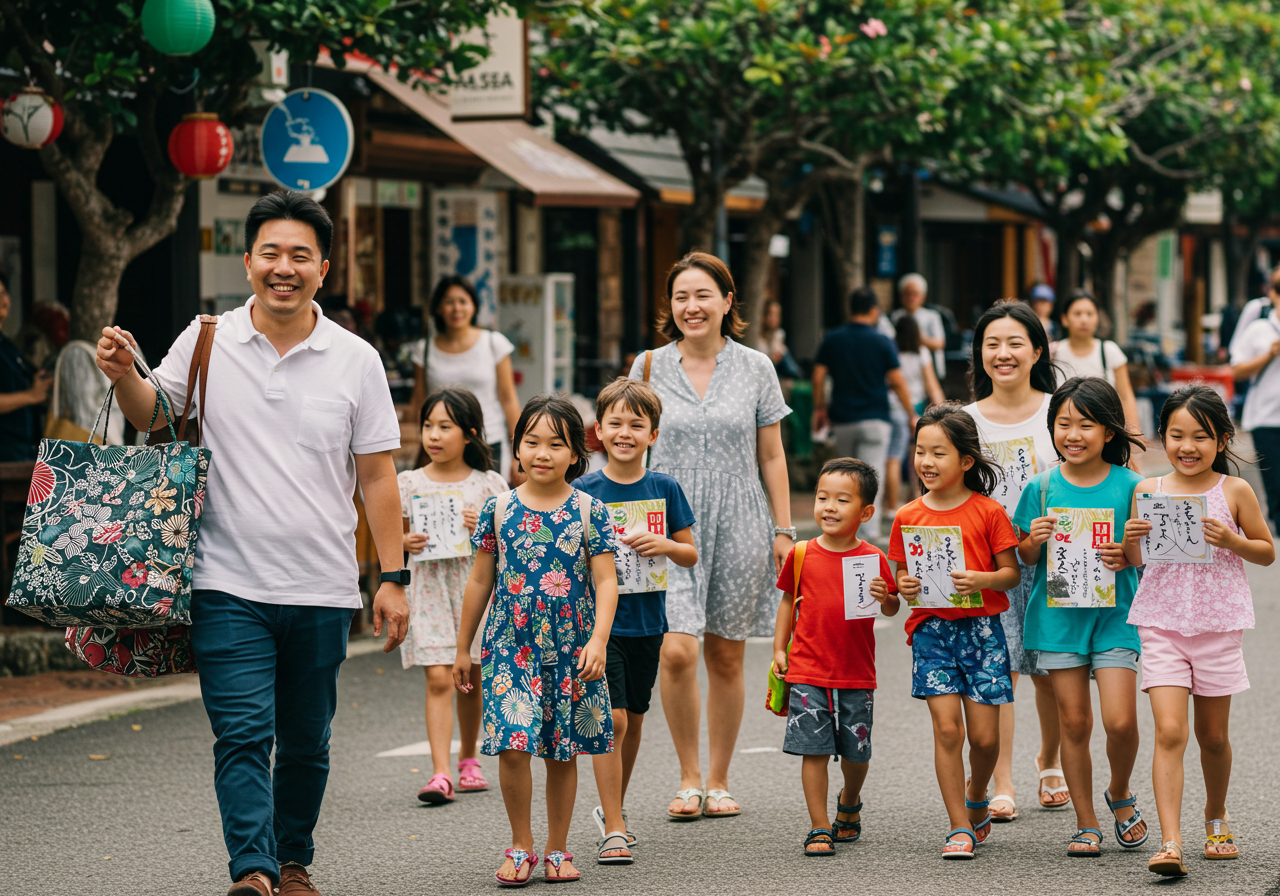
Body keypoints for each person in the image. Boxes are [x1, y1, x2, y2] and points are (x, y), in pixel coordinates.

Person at [94, 191, 410, 896]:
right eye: (271, 252)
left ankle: (292, 859)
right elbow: (157, 411)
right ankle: (255, 871)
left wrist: (394, 575)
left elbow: (377, 477)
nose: (284, 267)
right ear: (247, 262)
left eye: (300, 254)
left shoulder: (355, 360)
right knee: (241, 734)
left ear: (323, 269)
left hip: (322, 587)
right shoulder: (207, 339)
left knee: (306, 744)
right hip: (225, 582)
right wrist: (124, 377)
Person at [627, 251, 793, 820]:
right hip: (664, 522)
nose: (691, 307)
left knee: (725, 654)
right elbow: (628, 444)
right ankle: (688, 775)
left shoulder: (756, 367)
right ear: (669, 306)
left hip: (741, 517)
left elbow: (771, 453)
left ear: (727, 302)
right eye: (680, 297)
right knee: (675, 648)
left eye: (703, 296)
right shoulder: (646, 366)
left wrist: (784, 528)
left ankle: (718, 780)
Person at [452, 395, 620, 885]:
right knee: (512, 743)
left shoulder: (590, 511)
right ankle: (521, 844)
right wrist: (464, 647)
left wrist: (599, 641)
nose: (542, 452)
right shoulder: (498, 509)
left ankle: (558, 847)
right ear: (517, 450)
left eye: (556, 444)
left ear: (576, 454)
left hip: (571, 648)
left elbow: (607, 582)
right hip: (509, 645)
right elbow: (480, 580)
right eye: (532, 441)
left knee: (561, 750)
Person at [1121, 386, 1275, 876]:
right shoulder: (1148, 491)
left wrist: (1232, 539)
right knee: (1169, 731)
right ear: (1162, 438)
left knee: (1212, 736)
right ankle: (1170, 841)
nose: (1188, 447)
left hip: (1218, 625)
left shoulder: (1235, 491)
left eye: (1201, 437)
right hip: (1162, 622)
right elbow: (1137, 562)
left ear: (1223, 439)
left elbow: (1267, 550)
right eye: (1176, 436)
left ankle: (1215, 814)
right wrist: (1130, 542)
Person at [1014, 377, 1148, 857]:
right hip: (1058, 619)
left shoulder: (1134, 485)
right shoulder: (1042, 486)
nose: (1072, 434)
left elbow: (1144, 558)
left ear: (1109, 431)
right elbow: (1024, 559)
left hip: (1116, 616)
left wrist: (1125, 552)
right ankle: (1086, 821)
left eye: (1085, 424)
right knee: (1074, 723)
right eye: (1063, 424)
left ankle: (1119, 789)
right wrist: (1035, 537)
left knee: (1121, 722)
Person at [888, 404, 1021, 860]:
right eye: (920, 451)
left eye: (938, 452)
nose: (925, 461)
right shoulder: (907, 515)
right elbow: (904, 578)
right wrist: (904, 585)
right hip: (932, 631)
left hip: (983, 631)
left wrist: (982, 579)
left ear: (966, 460)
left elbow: (1010, 574)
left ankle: (977, 792)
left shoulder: (988, 512)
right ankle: (958, 826)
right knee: (948, 731)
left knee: (985, 739)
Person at [576, 377, 698, 865]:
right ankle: (616, 826)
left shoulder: (664, 488)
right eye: (615, 423)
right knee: (615, 718)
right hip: (598, 625)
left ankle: (613, 810)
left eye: (636, 424)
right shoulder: (583, 489)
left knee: (635, 719)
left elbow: (689, 553)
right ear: (598, 433)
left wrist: (666, 545)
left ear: (653, 434)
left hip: (650, 621)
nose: (624, 432)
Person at [962, 300, 1068, 822]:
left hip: (1054, 559)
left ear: (1037, 351)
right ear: (979, 353)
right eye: (991, 344)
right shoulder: (964, 420)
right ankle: (1001, 779)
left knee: (1050, 668)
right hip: (988, 563)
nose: (1003, 354)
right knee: (998, 668)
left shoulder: (1060, 412)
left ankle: (1049, 760)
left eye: (1014, 343)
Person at [771, 458, 900, 856]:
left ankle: (849, 800)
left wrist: (887, 597)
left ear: (865, 512)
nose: (828, 506)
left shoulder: (873, 558)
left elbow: (892, 607)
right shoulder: (802, 553)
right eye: (822, 497)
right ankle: (819, 826)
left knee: (856, 751)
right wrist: (779, 647)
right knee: (814, 749)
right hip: (808, 668)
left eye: (842, 500)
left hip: (856, 671)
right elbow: (787, 602)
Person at [398, 388, 508, 804]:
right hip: (427, 588)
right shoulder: (407, 483)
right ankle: (440, 772)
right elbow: (389, 537)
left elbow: (510, 540)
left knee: (471, 675)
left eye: (445, 426)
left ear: (470, 433)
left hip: (472, 590)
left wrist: (484, 524)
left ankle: (468, 758)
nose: (434, 435)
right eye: (428, 426)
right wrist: (403, 541)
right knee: (439, 677)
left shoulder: (490, 486)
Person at [813, 286, 916, 530]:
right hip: (875, 419)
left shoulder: (832, 338)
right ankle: (868, 534)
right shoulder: (882, 341)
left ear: (850, 309)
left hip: (843, 419)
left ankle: (844, 529)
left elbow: (818, 376)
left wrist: (820, 408)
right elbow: (898, 381)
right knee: (871, 477)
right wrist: (911, 413)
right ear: (873, 311)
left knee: (846, 478)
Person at [409, 275, 522, 482]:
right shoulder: (424, 349)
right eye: (449, 302)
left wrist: (519, 451)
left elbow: (509, 399)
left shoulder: (493, 343)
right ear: (438, 308)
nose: (456, 308)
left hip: (489, 441)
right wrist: (422, 441)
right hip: (441, 443)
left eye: (463, 301)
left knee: (489, 507)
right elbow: (419, 402)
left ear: (474, 306)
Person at [1051, 289, 1140, 434]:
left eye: (1089, 314)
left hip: (1104, 434)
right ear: (1064, 319)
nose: (1084, 319)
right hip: (1063, 434)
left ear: (1097, 318)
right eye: (1077, 314)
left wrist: (1134, 433)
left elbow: (1125, 395)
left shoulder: (1109, 351)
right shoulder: (1054, 352)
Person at [1229, 281, 1280, 529]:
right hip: (1265, 417)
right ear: (1274, 296)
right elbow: (1237, 370)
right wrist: (1269, 354)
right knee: (1275, 480)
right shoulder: (1259, 329)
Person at [886, 315, 946, 512]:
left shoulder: (891, 352)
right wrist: (944, 408)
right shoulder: (921, 353)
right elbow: (931, 384)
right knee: (918, 456)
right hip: (916, 408)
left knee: (892, 458)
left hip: (892, 407)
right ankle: (916, 496)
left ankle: (891, 504)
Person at [0, 270, 51, 460]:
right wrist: (31, 395)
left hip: (23, 452)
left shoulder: (8, 346)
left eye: (4, 293)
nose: (4, 300)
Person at [893, 273, 946, 378]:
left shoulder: (932, 316)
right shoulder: (895, 317)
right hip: (905, 371)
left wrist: (916, 336)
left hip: (931, 369)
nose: (910, 298)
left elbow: (940, 343)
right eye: (907, 294)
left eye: (914, 294)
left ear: (923, 296)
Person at [756, 298, 803, 381]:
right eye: (771, 314)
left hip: (780, 370)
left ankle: (799, 374)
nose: (774, 319)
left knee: (784, 352)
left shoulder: (779, 334)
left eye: (777, 315)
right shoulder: (757, 338)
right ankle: (800, 375)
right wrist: (773, 359)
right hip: (765, 371)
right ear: (764, 316)